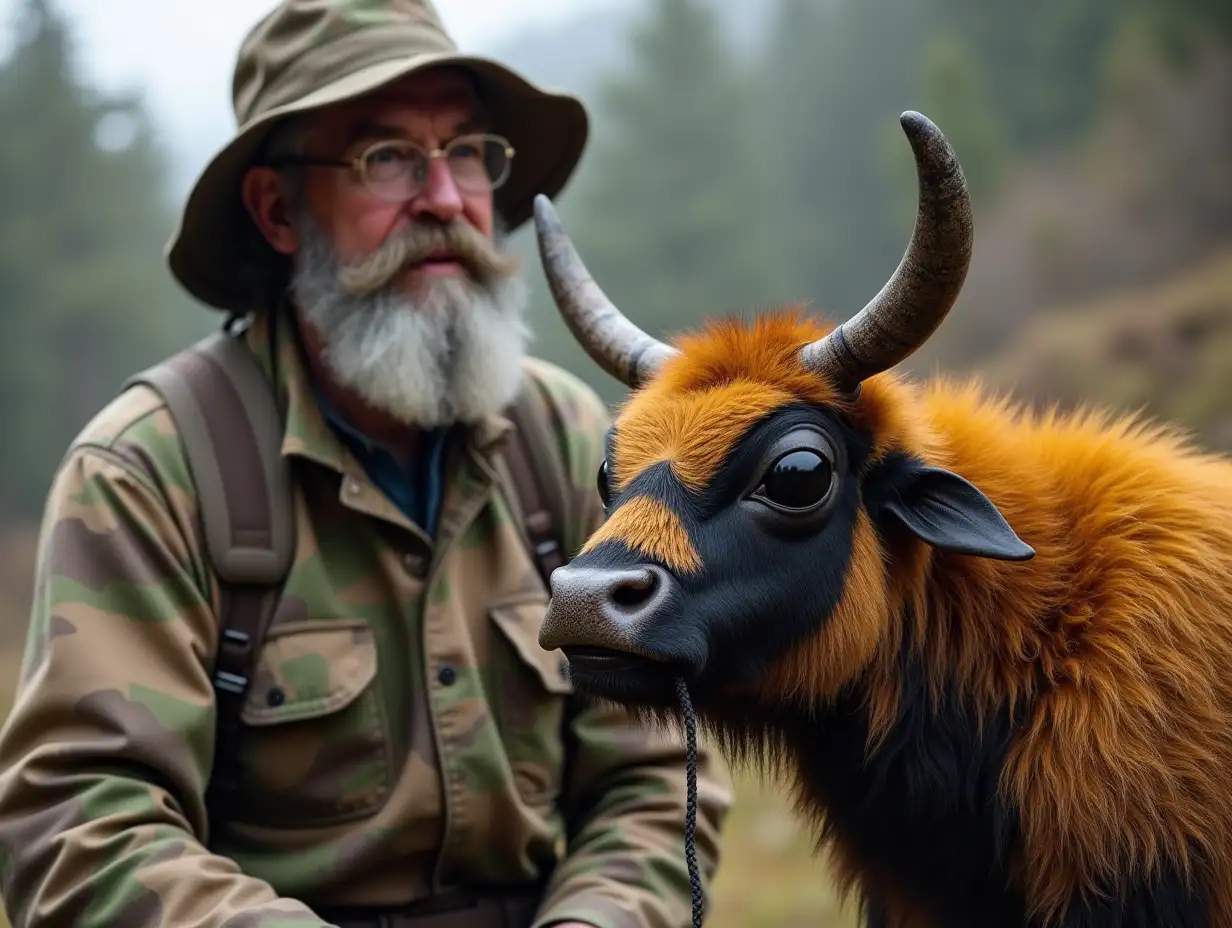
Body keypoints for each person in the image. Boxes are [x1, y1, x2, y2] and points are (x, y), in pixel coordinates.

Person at [0, 1, 732, 926]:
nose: (444, 198)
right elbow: (81, 822)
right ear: (277, 211)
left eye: (467, 152)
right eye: (386, 157)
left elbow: (658, 773)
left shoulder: (570, 441)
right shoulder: (151, 473)